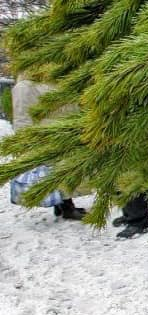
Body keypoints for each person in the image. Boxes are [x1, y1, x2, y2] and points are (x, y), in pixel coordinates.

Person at [11, 78, 86, 221]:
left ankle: (63, 205)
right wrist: (25, 140)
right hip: (45, 136)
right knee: (53, 172)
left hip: (64, 132)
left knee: (64, 171)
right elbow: (21, 116)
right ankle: (66, 207)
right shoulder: (25, 86)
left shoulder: (56, 80)